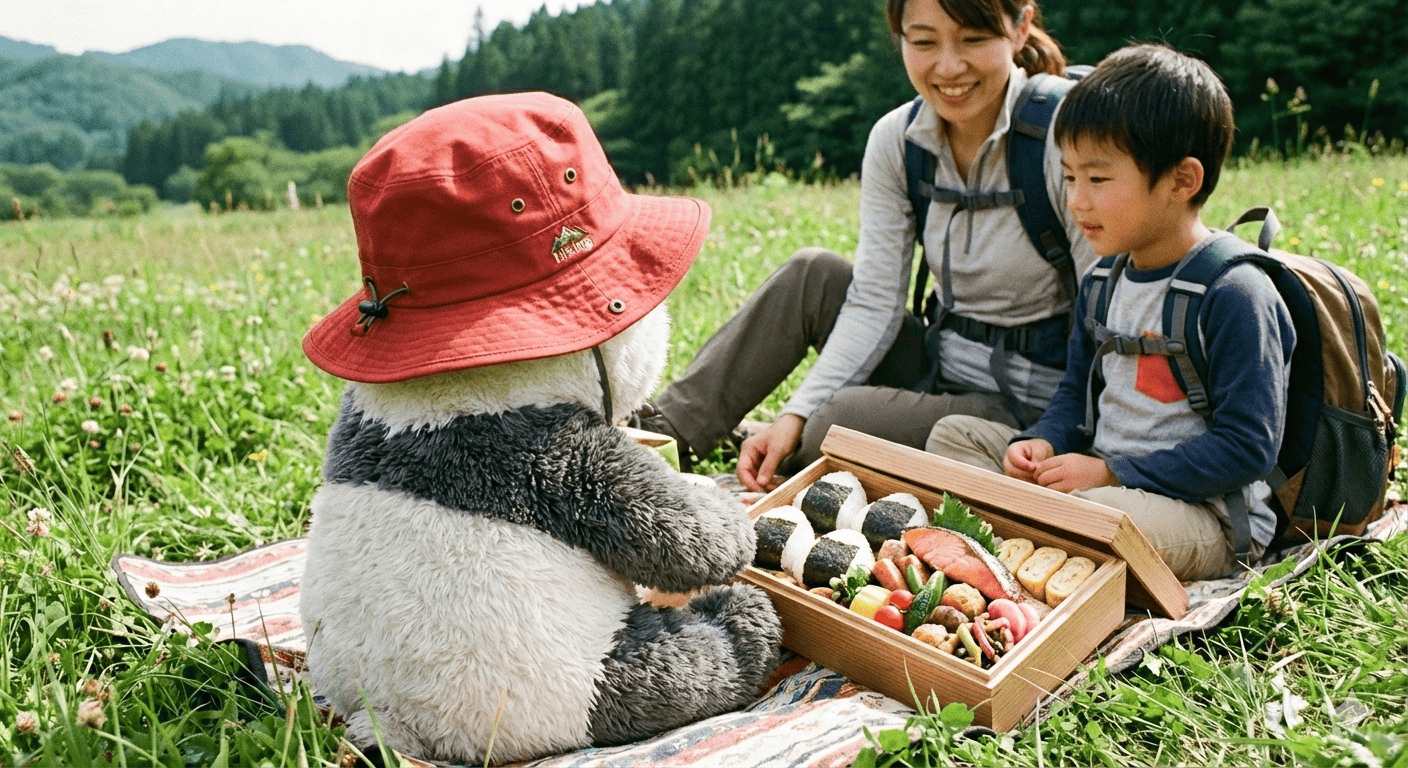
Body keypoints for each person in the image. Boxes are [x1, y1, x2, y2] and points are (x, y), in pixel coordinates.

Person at [631, 0, 1096, 491]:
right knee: (814, 275)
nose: (948, 66)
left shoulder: (1064, 132)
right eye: (923, 42)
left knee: (838, 418)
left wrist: (1087, 443)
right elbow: (875, 301)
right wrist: (796, 412)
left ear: (1020, 29)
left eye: (973, 40)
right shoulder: (898, 140)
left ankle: (777, 454)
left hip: (1033, 403)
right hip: (940, 361)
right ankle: (660, 437)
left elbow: (1107, 305)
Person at [925, 43, 1296, 581]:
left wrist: (1109, 473)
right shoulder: (1102, 281)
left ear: (1182, 181)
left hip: (1204, 517)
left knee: (1095, 519)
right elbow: (1076, 396)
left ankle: (1012, 545)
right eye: (1070, 178)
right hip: (1101, 484)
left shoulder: (1235, 292)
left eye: (1097, 180)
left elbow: (1247, 448)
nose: (1077, 201)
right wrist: (1046, 440)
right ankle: (1024, 548)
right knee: (954, 436)